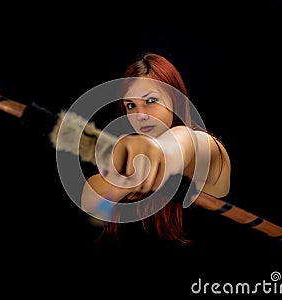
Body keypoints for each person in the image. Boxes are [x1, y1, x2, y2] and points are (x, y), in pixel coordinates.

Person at [80, 52, 231, 246]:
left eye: (151, 101)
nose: (140, 115)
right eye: (131, 105)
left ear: (175, 100)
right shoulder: (129, 159)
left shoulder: (207, 146)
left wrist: (157, 153)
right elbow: (89, 200)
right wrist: (130, 176)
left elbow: (182, 143)